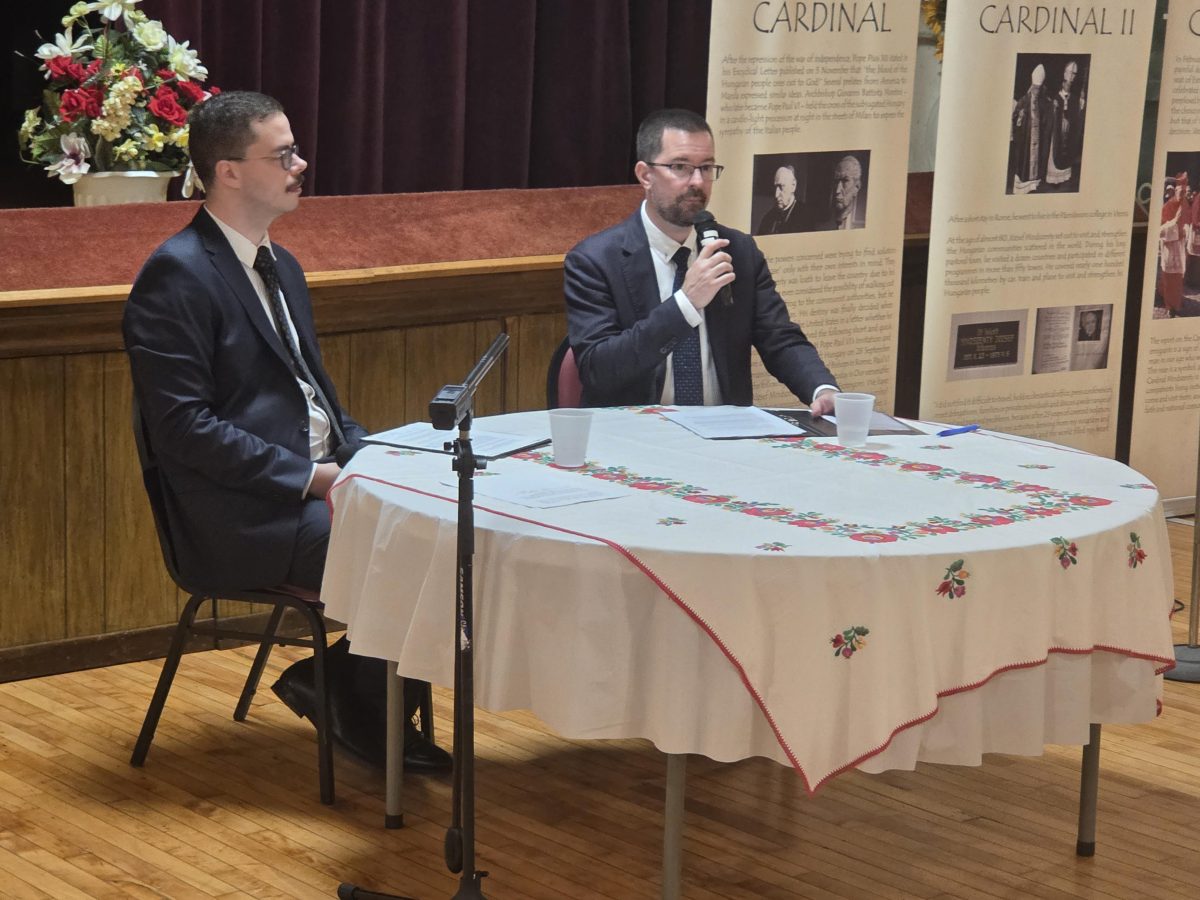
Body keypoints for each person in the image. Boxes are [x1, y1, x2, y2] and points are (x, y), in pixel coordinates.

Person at [123, 91, 450, 773]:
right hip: (242, 513)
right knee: (417, 546)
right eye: (283, 155)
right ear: (228, 172)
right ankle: (354, 696)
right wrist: (311, 477)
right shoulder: (176, 275)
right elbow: (184, 429)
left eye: (295, 151)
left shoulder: (282, 265)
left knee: (446, 521)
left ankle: (341, 686)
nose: (300, 165)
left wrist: (380, 454)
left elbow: (315, 399)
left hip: (311, 488)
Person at [564, 108, 838, 412]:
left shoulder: (738, 251)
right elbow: (598, 369)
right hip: (635, 429)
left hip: (724, 430)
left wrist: (821, 389)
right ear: (645, 175)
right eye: (680, 167)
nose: (698, 181)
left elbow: (780, 339)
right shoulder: (594, 261)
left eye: (706, 168)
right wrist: (685, 304)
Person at [1010, 63, 1054, 194]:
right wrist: (1019, 118)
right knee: (1024, 162)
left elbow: (1047, 118)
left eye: (1039, 88)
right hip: (1026, 139)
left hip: (1038, 140)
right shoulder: (1023, 101)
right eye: (1035, 87)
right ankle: (1025, 185)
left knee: (1037, 162)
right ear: (1032, 85)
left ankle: (1034, 184)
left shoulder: (1044, 101)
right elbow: (1015, 117)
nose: (1036, 91)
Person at [1046, 60, 1085, 189]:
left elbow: (1075, 118)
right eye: (1070, 74)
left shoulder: (1074, 99)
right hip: (1056, 135)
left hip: (1067, 135)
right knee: (1054, 152)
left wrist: (1080, 108)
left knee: (1067, 152)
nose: (1071, 78)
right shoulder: (1055, 98)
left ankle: (1063, 177)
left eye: (1074, 74)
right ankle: (1053, 180)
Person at [814, 155, 864, 231]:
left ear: (857, 187)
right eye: (836, 181)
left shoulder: (863, 228)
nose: (837, 190)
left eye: (845, 181)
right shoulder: (819, 225)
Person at [757, 164, 803, 234]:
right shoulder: (767, 218)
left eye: (781, 187)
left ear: (793, 186)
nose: (776, 195)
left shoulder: (806, 216)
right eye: (775, 187)